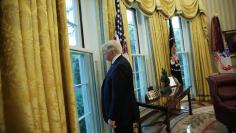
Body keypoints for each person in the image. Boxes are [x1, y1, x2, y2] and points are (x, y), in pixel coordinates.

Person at [101, 40, 140, 133]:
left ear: (112, 52)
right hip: (122, 114)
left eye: (105, 52)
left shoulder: (120, 65)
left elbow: (118, 95)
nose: (104, 54)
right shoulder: (118, 63)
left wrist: (112, 117)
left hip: (122, 116)